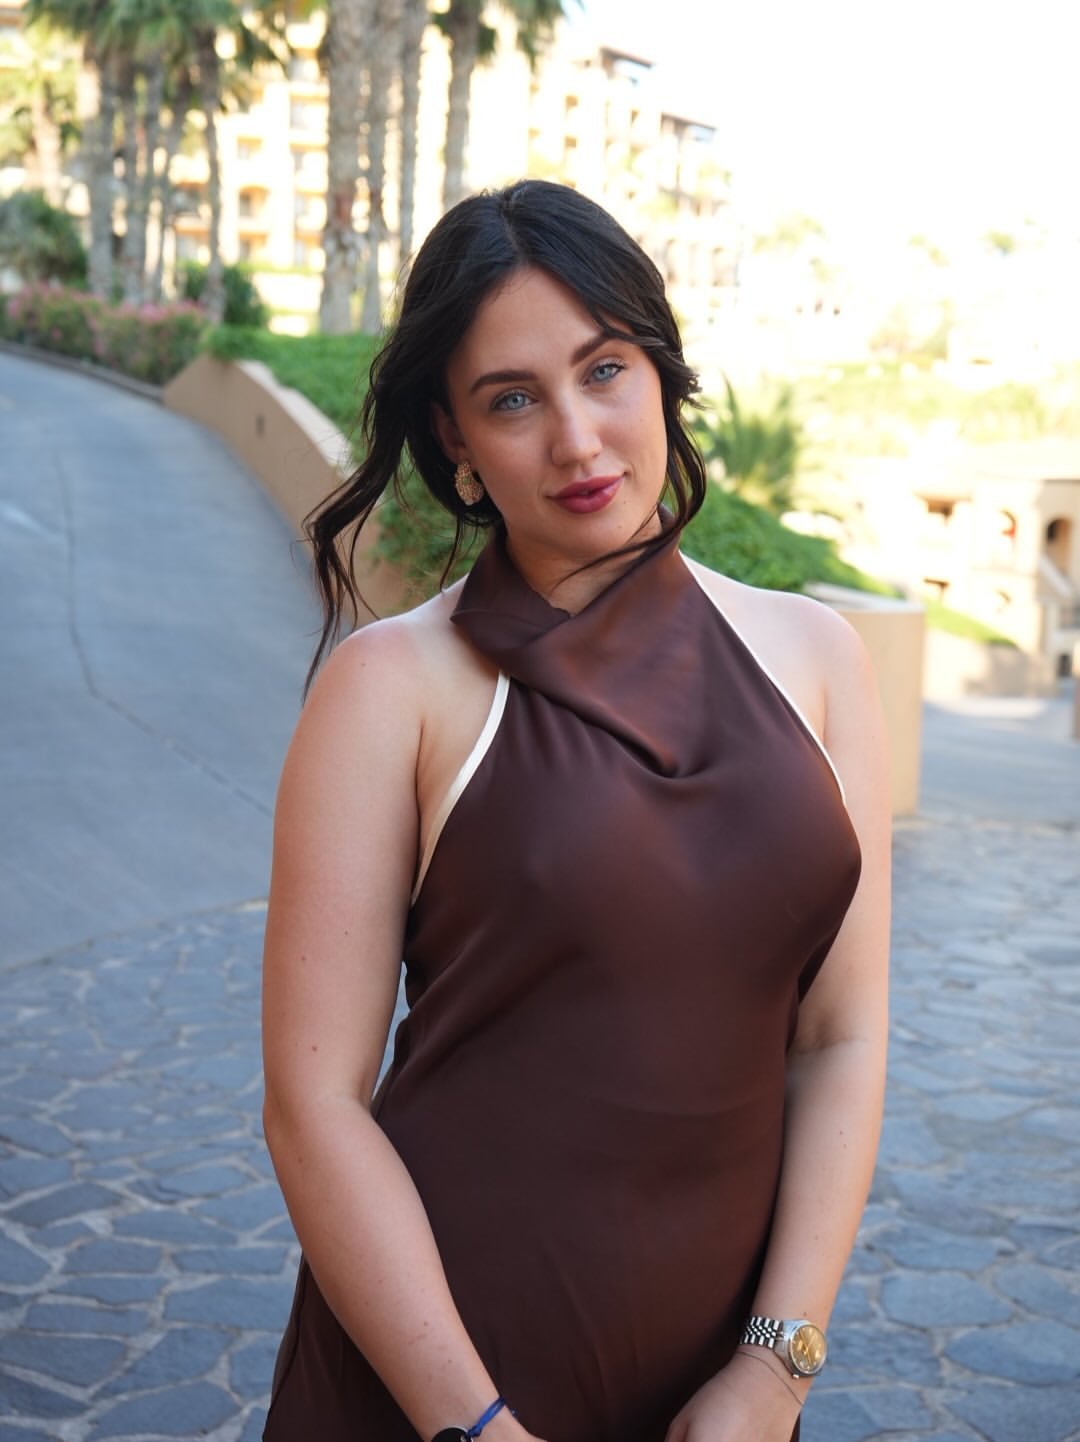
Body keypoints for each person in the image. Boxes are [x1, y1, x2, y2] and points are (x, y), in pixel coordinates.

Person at [260, 179, 890, 1442]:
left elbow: (840, 1038)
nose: (578, 439)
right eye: (513, 399)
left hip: (721, 1395)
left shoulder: (817, 660)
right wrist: (474, 1423)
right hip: (436, 1384)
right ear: (454, 441)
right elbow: (311, 1103)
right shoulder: (394, 686)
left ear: (661, 371)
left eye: (605, 370)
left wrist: (774, 1371)